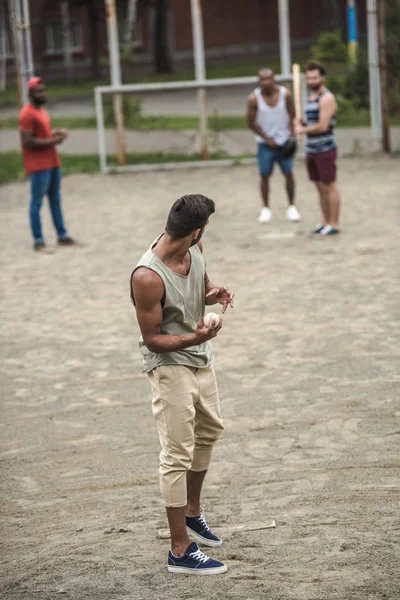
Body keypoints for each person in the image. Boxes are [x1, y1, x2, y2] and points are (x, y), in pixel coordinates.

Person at [130, 194, 234, 575]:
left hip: (199, 358)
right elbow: (153, 338)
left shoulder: (195, 246)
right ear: (195, 229)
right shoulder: (147, 276)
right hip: (170, 363)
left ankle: (192, 513)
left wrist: (215, 293)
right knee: (176, 454)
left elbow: (200, 287)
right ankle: (179, 550)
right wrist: (194, 339)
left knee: (209, 431)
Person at [19, 76, 77, 252]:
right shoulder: (26, 114)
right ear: (30, 93)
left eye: (43, 90)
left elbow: (42, 135)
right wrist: (54, 141)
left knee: (55, 200)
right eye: (39, 91)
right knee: (36, 202)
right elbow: (28, 141)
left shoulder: (42, 111)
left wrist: (55, 133)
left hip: (52, 162)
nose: (42, 93)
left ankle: (62, 235)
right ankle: (38, 240)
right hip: (38, 166)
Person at [247, 68, 301, 224]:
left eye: (269, 78)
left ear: (274, 79)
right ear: (259, 81)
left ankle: (291, 207)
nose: (266, 82)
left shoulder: (285, 94)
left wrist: (291, 134)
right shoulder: (254, 99)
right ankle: (266, 208)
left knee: (288, 173)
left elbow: (293, 115)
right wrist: (266, 138)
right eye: (263, 79)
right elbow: (251, 123)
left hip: (284, 141)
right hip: (265, 144)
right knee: (264, 175)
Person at [295, 61, 341, 235]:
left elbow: (323, 126)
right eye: (309, 78)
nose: (312, 80)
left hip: (325, 149)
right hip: (312, 149)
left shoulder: (326, 98)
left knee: (329, 186)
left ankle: (334, 224)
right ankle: (324, 221)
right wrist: (300, 124)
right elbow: (311, 123)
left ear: (322, 77)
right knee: (319, 187)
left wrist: (302, 129)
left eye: (315, 77)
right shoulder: (310, 98)